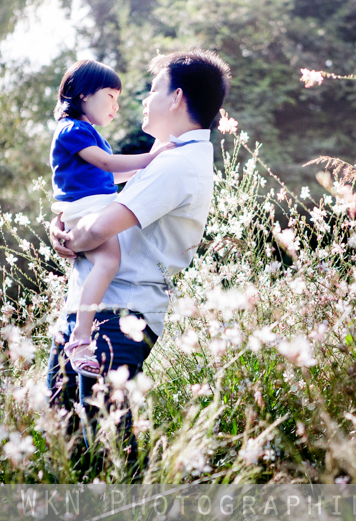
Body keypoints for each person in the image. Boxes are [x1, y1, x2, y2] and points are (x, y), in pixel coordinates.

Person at [46, 49, 231, 421]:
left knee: (106, 439)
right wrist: (62, 225)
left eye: (153, 89)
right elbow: (95, 199)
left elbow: (99, 228)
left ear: (176, 97)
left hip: (118, 316)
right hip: (92, 310)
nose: (145, 100)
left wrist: (67, 238)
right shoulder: (167, 157)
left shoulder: (177, 164)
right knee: (64, 435)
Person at [48, 59, 175, 379]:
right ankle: (80, 338)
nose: (116, 106)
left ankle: (80, 331)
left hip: (91, 206)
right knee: (108, 261)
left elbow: (112, 175)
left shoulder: (87, 133)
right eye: (110, 96)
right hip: (86, 209)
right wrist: (151, 158)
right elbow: (107, 164)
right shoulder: (73, 130)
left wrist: (147, 169)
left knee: (106, 262)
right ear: (83, 94)